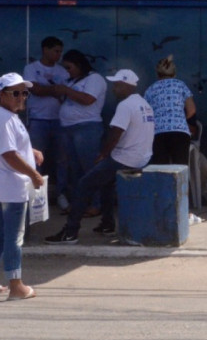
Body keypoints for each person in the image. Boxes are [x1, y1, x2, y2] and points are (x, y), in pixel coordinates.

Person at [45, 70, 155, 243]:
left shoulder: (125, 106)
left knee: (83, 184)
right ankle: (107, 224)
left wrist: (103, 154)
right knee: (106, 184)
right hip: (142, 157)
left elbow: (116, 132)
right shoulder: (143, 104)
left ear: (127, 86)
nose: (114, 89)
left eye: (117, 85)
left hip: (125, 158)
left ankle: (70, 232)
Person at [0, 73, 43, 300]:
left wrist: (31, 153)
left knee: (1, 234)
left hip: (2, 184)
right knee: (14, 238)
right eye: (15, 93)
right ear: (1, 94)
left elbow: (10, 148)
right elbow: (8, 154)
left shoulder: (3, 115)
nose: (21, 97)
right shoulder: (5, 119)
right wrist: (34, 174)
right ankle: (16, 285)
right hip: (12, 187)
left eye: (24, 93)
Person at [55, 49, 107, 210]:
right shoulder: (72, 81)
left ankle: (97, 204)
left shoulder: (94, 79)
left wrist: (66, 90)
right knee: (74, 169)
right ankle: (81, 203)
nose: (67, 71)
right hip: (68, 129)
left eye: (69, 67)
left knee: (90, 167)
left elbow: (88, 99)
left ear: (79, 65)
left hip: (86, 128)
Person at [25, 36, 68, 206]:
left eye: (60, 51)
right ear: (45, 49)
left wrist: (46, 89)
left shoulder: (63, 71)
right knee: (36, 159)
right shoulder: (31, 68)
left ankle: (62, 194)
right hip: (38, 120)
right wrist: (54, 90)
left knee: (62, 159)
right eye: (56, 51)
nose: (58, 55)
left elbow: (64, 93)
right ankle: (36, 197)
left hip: (60, 120)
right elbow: (34, 89)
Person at [144, 54, 196, 166]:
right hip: (179, 132)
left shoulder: (150, 89)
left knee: (160, 170)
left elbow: (145, 114)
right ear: (174, 73)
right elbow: (191, 110)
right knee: (180, 169)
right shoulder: (181, 85)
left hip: (158, 133)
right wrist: (179, 121)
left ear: (157, 73)